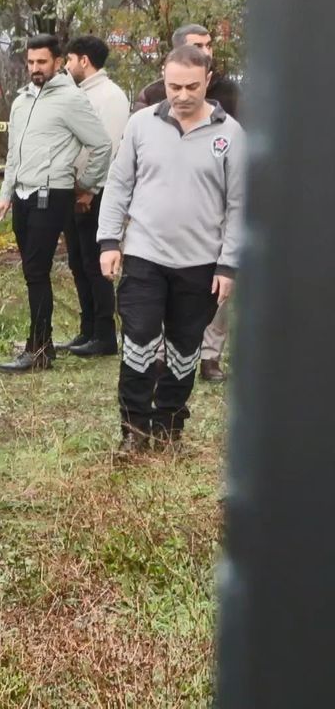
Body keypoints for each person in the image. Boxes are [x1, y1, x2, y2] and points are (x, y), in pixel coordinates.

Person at [98, 46, 243, 451]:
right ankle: (134, 429)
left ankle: (168, 426)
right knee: (139, 339)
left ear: (207, 81)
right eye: (173, 85)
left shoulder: (230, 134)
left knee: (183, 348)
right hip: (144, 255)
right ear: (163, 77)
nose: (181, 95)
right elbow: (119, 185)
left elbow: (239, 206)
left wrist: (228, 266)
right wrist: (110, 241)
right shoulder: (141, 124)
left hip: (201, 264)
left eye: (191, 87)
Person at [0, 34, 111, 373]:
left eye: (41, 62)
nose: (35, 69)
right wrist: (5, 194)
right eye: (30, 63)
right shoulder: (22, 100)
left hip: (52, 193)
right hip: (23, 195)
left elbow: (101, 144)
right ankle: (39, 344)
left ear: (58, 62)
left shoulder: (71, 99)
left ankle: (40, 348)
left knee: (36, 271)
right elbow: (14, 152)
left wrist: (86, 184)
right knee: (33, 273)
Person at [132, 24, 241, 383]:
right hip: (159, 221)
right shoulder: (149, 97)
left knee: (215, 288)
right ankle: (161, 356)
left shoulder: (232, 94)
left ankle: (210, 356)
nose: (207, 50)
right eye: (198, 45)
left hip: (217, 206)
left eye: (209, 45)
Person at [62, 35, 130, 358]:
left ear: (84, 61)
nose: (66, 66)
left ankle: (105, 334)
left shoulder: (110, 96)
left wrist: (90, 188)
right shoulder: (79, 94)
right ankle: (88, 328)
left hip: (96, 193)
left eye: (69, 60)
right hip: (76, 190)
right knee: (78, 261)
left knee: (95, 264)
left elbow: (110, 148)